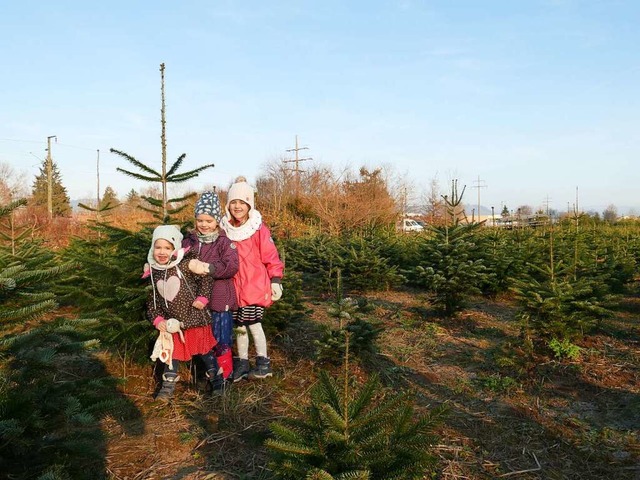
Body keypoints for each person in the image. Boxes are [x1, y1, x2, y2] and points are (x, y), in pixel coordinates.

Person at [219, 176, 284, 381]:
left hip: (255, 286)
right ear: (228, 205)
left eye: (242, 202)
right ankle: (243, 363)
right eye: (233, 202)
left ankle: (263, 363)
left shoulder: (258, 229)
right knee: (239, 325)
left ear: (249, 204)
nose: (237, 206)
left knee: (254, 324)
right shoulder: (225, 229)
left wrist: (275, 279)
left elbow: (271, 256)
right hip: (235, 287)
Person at [145, 224, 221, 401]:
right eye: (158, 247)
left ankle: (218, 381)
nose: (162, 252)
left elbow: (206, 279)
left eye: (167, 247)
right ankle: (167, 387)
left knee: (206, 353)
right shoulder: (153, 272)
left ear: (175, 249)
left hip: (196, 320)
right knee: (172, 355)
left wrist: (202, 298)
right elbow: (151, 301)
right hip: (173, 325)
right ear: (152, 248)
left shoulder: (186, 264)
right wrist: (157, 319)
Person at [184, 191, 239, 392]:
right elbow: (178, 259)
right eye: (200, 220)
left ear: (217, 220)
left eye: (209, 220)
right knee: (202, 337)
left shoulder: (224, 242)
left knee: (221, 339)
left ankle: (224, 376)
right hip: (196, 300)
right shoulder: (189, 241)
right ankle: (207, 373)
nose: (204, 224)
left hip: (219, 299)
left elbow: (232, 265)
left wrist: (209, 268)